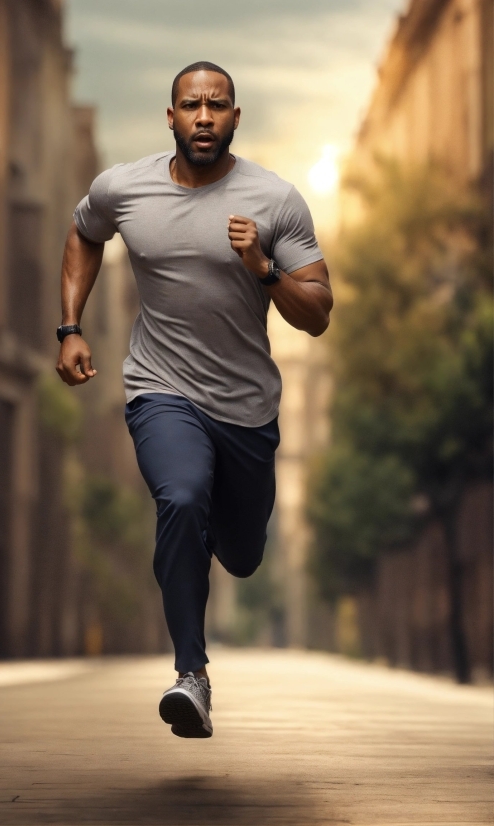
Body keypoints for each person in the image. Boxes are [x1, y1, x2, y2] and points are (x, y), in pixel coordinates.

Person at [56, 61, 332, 739]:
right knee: (178, 498)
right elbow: (84, 234)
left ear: (236, 119)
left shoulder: (275, 200)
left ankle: (221, 534)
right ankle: (192, 673)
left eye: (217, 105)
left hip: (246, 411)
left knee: (240, 553)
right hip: (160, 389)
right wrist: (69, 327)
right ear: (171, 117)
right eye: (191, 105)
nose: (203, 116)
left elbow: (319, 312)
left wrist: (264, 268)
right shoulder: (124, 188)